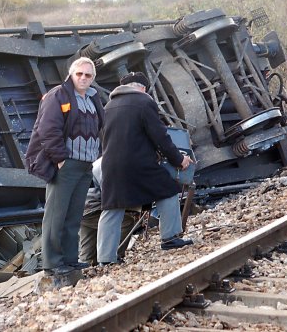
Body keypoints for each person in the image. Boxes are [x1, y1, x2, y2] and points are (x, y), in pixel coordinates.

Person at [98, 71, 193, 264]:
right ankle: (170, 237)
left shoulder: (108, 106)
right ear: (142, 88)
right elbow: (160, 136)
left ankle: (105, 259)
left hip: (109, 165)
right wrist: (178, 160)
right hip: (138, 163)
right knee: (168, 190)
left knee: (112, 206)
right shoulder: (143, 102)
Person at [25, 57, 104, 275]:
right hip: (66, 164)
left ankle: (70, 259)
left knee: (74, 215)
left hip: (85, 165)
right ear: (71, 74)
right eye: (79, 74)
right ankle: (52, 262)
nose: (83, 78)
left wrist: (95, 155)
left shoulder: (93, 97)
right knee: (56, 215)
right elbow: (47, 129)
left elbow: (100, 125)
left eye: (88, 75)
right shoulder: (58, 95)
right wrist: (60, 159)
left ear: (92, 78)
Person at [79, 157, 140, 266]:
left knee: (87, 256)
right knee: (126, 223)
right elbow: (112, 198)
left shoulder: (104, 160)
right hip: (91, 207)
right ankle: (114, 257)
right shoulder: (111, 164)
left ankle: (86, 274)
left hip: (81, 206)